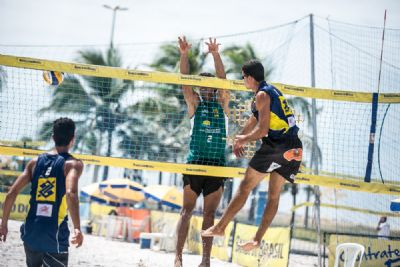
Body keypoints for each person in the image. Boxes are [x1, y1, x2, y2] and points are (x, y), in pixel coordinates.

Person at [202, 60, 303, 251]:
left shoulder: (262, 95)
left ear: (249, 77)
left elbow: (263, 130)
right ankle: (257, 239)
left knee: (245, 186)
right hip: (294, 148)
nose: (242, 81)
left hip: (277, 145)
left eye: (242, 77)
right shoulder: (270, 91)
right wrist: (240, 137)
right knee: (273, 196)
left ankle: (220, 227)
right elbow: (255, 119)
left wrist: (244, 139)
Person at [175, 36, 230, 267]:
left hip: (216, 165)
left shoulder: (223, 103)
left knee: (209, 216)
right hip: (196, 162)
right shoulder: (194, 104)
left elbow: (224, 80)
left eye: (210, 84)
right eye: (202, 84)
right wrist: (184, 54)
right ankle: (178, 257)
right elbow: (185, 83)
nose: (206, 87)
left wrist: (215, 54)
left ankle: (205, 260)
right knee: (186, 211)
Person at [0, 117, 84, 266]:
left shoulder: (34, 162)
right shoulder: (73, 164)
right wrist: (77, 228)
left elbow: (11, 193)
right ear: (73, 139)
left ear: (53, 137)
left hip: (31, 232)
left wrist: (4, 224)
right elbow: (71, 194)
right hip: (54, 235)